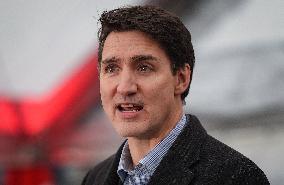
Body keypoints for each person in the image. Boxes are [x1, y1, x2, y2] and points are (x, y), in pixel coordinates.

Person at [82, 5, 269, 185]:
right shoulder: (94, 178)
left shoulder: (237, 178)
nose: (124, 87)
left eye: (144, 67)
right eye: (111, 68)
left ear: (181, 79)